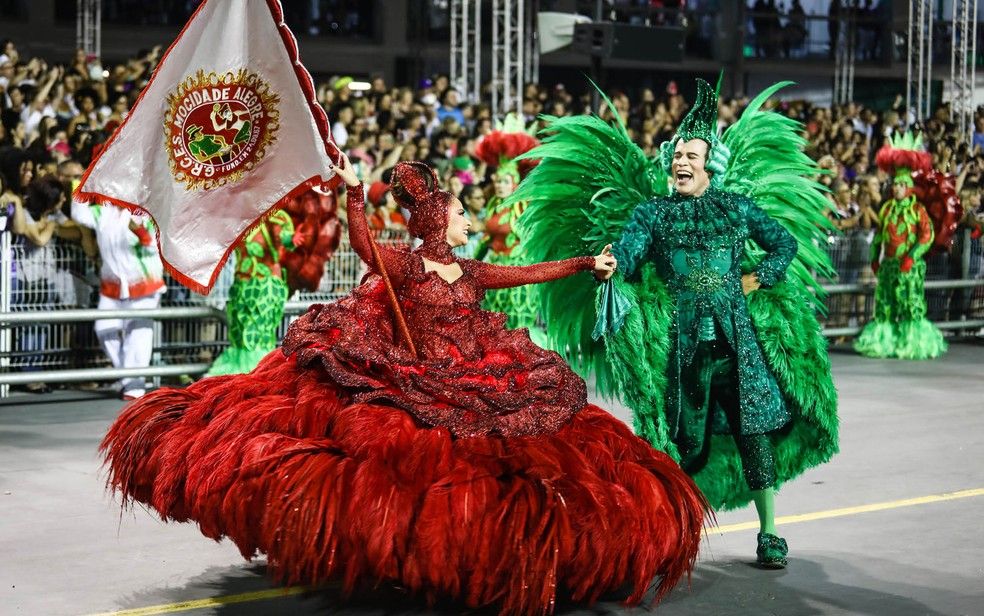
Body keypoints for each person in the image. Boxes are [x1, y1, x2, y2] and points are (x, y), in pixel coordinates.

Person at [100, 156, 707, 615]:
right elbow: (362, 245)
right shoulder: (407, 265)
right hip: (413, 379)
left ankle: (463, 561)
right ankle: (415, 559)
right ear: (440, 217)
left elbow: (530, 271)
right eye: (463, 212)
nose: (471, 220)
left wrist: (583, 264)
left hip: (477, 379)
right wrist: (356, 195)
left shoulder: (471, 269)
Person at [512, 78, 839, 570]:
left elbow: (784, 245)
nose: (681, 163)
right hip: (681, 346)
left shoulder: (735, 208)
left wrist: (760, 276)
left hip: (739, 343)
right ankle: (674, 532)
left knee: (754, 434)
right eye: (676, 156)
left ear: (710, 165)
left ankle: (770, 531)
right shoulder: (654, 213)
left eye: (691, 156)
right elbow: (629, 249)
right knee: (681, 442)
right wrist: (613, 265)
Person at [854, 132, 947, 359]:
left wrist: (911, 256)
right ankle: (885, 342)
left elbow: (927, 236)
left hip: (909, 267)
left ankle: (913, 343)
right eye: (894, 185)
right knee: (885, 304)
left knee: (910, 304)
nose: (896, 189)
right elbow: (879, 237)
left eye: (900, 185)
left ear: (909, 188)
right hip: (889, 266)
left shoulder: (918, 211)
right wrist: (875, 258)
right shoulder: (886, 209)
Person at [71, 198, 166, 399]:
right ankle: (127, 378)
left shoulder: (146, 210)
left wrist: (140, 233)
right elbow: (79, 215)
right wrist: (78, 187)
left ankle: (134, 386)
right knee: (103, 328)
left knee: (138, 336)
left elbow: (158, 248)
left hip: (144, 284)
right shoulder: (104, 211)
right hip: (112, 286)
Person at [204, 209, 298, 376]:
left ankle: (255, 378)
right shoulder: (239, 218)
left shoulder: (277, 217)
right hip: (242, 287)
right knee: (241, 336)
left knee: (256, 338)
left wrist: (290, 239)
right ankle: (243, 381)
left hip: (265, 288)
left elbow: (283, 237)